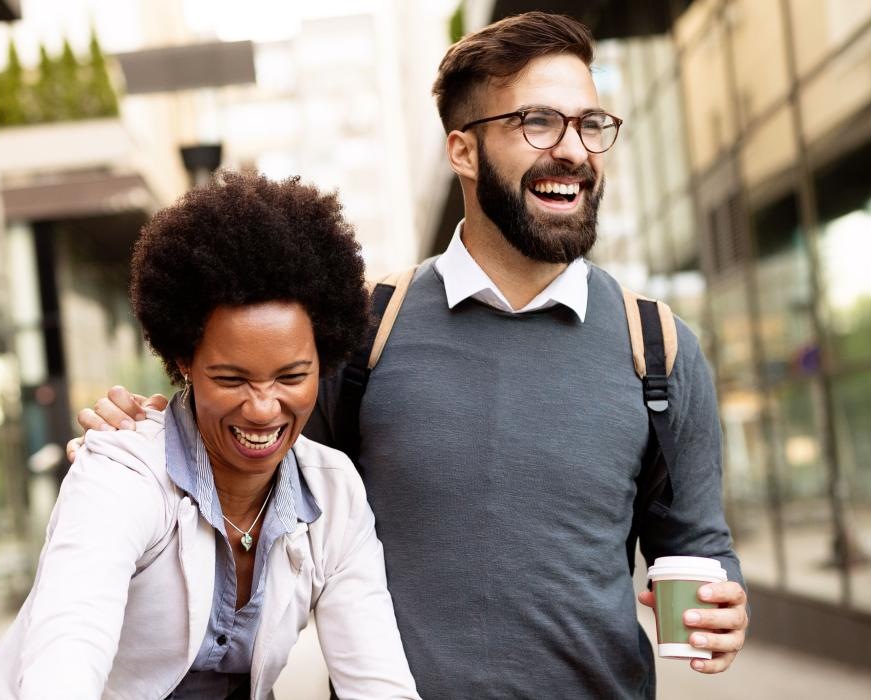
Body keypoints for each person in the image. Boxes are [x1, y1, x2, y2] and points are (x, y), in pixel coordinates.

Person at [76, 13, 748, 697]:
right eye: (538, 123)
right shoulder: (366, 332)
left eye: (589, 123)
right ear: (462, 150)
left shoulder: (659, 348)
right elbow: (246, 476)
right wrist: (146, 444)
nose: (573, 149)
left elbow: (696, 545)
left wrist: (722, 602)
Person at [0, 172, 419, 699]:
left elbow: (379, 682)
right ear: (184, 360)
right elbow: (67, 654)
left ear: (325, 359)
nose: (264, 407)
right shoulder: (122, 473)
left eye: (291, 377)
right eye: (231, 379)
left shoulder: (334, 492)